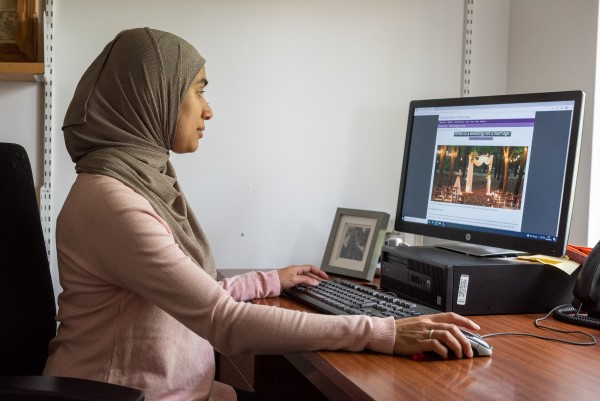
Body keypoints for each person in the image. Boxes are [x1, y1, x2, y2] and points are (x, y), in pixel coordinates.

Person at [43, 28, 481, 401]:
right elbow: (223, 321)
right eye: (198, 90)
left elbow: (188, 294)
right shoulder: (114, 201)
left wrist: (271, 281)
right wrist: (382, 331)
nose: (208, 109)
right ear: (151, 94)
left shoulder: (136, 180)